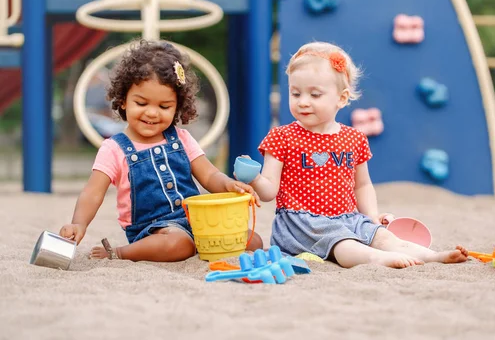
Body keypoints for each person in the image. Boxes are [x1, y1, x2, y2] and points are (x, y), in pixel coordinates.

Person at [245, 41, 468, 269]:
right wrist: (253, 178)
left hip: (349, 217)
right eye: (295, 93)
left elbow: (362, 185)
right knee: (344, 244)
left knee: (383, 237)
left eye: (315, 94)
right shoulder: (282, 136)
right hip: (302, 224)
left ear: (341, 98)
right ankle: (375, 258)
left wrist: (371, 216)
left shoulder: (354, 138)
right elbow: (269, 192)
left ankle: (432, 256)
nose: (303, 101)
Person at [59, 40, 262, 262]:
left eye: (164, 106)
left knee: (253, 240)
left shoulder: (181, 139)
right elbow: (93, 192)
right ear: (123, 100)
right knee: (177, 244)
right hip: (154, 230)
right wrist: (79, 223)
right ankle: (119, 253)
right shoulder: (114, 148)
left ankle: (200, 244)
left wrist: (228, 185)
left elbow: (209, 174)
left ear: (178, 106)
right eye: (142, 103)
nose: (152, 113)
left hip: (197, 220)